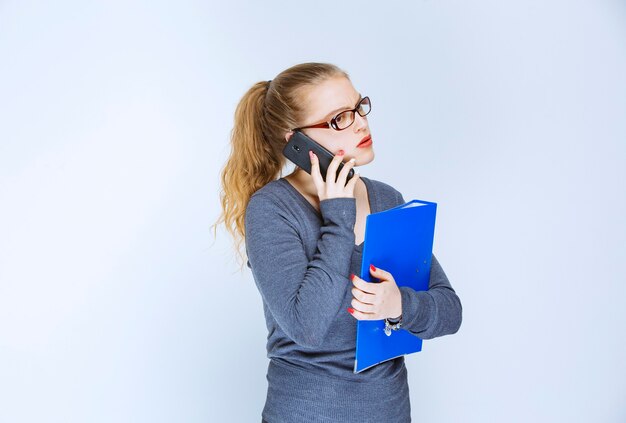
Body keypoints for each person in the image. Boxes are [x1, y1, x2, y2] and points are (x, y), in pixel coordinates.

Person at [214, 62, 462, 423]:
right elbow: (307, 328)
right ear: (294, 140)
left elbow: (450, 311)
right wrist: (338, 217)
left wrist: (399, 304)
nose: (361, 122)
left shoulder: (388, 200)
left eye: (358, 107)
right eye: (338, 119)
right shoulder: (272, 210)